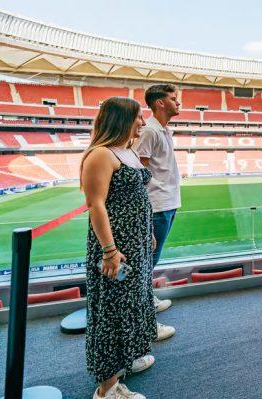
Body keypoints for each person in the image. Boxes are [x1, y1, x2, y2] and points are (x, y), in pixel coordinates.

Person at [81, 97, 163, 399]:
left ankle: (127, 358)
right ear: (120, 120)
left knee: (134, 301)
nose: (142, 122)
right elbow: (96, 205)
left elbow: (138, 197)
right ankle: (108, 388)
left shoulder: (126, 151)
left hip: (137, 244)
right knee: (113, 310)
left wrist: (148, 231)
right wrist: (110, 251)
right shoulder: (100, 155)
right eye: (138, 117)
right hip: (117, 249)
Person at [133, 84, 181, 314]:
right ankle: (140, 305)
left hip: (168, 202)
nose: (178, 102)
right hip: (157, 204)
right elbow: (138, 173)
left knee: (153, 257)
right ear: (160, 103)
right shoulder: (150, 131)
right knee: (149, 258)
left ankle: (144, 298)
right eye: (173, 99)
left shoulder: (163, 130)